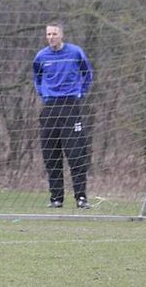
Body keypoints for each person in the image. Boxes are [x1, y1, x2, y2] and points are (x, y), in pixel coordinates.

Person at [32, 21, 93, 209]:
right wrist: (44, 94)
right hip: (50, 107)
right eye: (48, 34)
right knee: (51, 154)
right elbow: (37, 78)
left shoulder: (75, 53)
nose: (51, 37)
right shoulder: (41, 56)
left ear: (61, 35)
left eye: (54, 34)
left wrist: (80, 92)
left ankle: (81, 197)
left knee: (76, 154)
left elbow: (88, 74)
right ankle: (56, 198)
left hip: (70, 107)